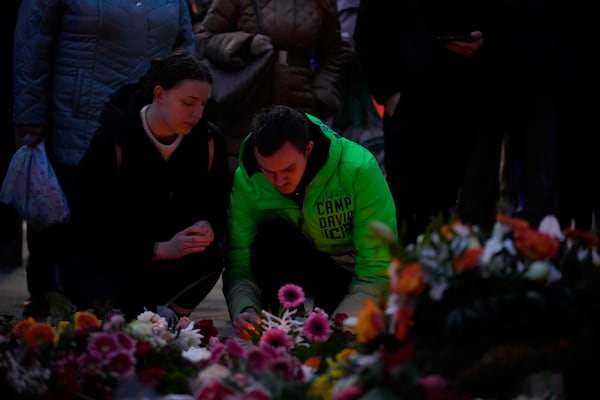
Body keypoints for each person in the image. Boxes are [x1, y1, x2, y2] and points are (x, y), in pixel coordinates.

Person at [12, 0, 196, 317]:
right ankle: (54, 308)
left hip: (145, 121)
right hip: (79, 118)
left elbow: (183, 48)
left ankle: (125, 308)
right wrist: (30, 115)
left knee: (133, 216)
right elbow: (33, 44)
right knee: (73, 220)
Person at [67, 49, 230, 320]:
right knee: (110, 306)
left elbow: (217, 203)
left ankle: (170, 321)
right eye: (188, 102)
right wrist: (157, 249)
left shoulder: (209, 141)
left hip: (172, 262)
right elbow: (88, 225)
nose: (197, 113)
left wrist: (208, 224)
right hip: (118, 259)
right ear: (159, 94)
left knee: (210, 258)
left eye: (203, 104)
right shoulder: (114, 140)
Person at [223, 104, 397, 338]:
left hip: (349, 271)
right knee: (271, 237)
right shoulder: (249, 179)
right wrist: (245, 308)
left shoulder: (358, 169)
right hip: (296, 267)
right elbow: (239, 260)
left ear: (309, 149)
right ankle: (285, 324)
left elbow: (377, 267)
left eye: (288, 169)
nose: (279, 181)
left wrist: (339, 327)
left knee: (335, 340)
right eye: (269, 171)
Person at [354, 0, 489, 244]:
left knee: (457, 210)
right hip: (409, 107)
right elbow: (367, 32)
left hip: (462, 102)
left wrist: (483, 41)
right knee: (409, 212)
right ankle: (409, 277)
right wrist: (389, 93)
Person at [195, 0, 346, 176]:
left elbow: (335, 52)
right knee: (243, 180)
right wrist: (245, 44)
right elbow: (204, 39)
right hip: (246, 102)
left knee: (295, 183)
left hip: (301, 105)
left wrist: (321, 92)